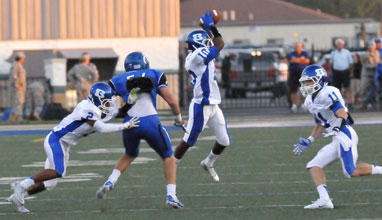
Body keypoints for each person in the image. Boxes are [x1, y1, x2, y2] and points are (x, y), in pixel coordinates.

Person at [8, 82, 139, 213]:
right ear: (97, 100)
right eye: (106, 102)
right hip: (56, 140)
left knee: (50, 183)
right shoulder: (87, 108)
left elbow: (120, 112)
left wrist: (130, 102)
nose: (109, 105)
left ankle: (18, 197)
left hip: (65, 144)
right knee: (58, 171)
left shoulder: (104, 107)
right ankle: (22, 185)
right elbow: (101, 127)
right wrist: (124, 126)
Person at [292, 64, 382, 209]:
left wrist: (336, 127)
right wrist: (309, 140)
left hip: (344, 133)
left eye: (309, 81)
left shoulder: (328, 92)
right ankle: (325, 200)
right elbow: (320, 124)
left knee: (350, 171)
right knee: (314, 165)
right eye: (305, 82)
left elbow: (342, 113)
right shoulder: (309, 101)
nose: (306, 85)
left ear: (320, 80)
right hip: (335, 136)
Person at [96, 52, 185, 209]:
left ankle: (110, 181)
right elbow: (171, 100)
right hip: (150, 121)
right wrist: (178, 118)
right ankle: (171, 195)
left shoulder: (117, 80)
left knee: (130, 154)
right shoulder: (155, 74)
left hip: (130, 122)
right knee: (168, 156)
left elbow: (104, 101)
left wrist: (114, 112)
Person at [173, 12, 230, 183]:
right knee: (188, 141)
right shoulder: (195, 56)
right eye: (206, 41)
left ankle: (208, 162)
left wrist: (209, 28)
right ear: (198, 43)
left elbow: (216, 45)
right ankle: (172, 164)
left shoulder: (200, 53)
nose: (209, 44)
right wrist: (210, 26)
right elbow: (220, 43)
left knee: (224, 140)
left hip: (213, 104)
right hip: (201, 104)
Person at [330, 39, 354, 108]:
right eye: (338, 44)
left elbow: (351, 63)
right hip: (336, 72)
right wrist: (331, 72)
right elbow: (331, 63)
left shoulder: (347, 52)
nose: (339, 46)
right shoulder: (333, 53)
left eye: (340, 44)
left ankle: (349, 102)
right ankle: (339, 102)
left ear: (343, 45)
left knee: (347, 87)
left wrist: (351, 72)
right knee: (337, 88)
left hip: (345, 72)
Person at [288, 42, 310, 112]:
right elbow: (291, 60)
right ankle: (294, 105)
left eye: (299, 46)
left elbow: (307, 61)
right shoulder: (292, 53)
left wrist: (297, 60)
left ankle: (303, 104)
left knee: (304, 89)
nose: (298, 48)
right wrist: (301, 59)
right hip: (293, 73)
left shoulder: (305, 53)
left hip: (302, 73)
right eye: (297, 46)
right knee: (293, 90)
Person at [360, 42, 381, 110]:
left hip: (374, 74)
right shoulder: (366, 54)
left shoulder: (377, 53)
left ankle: (374, 104)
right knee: (364, 88)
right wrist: (372, 65)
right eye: (370, 47)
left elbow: (378, 62)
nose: (371, 48)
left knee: (374, 90)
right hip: (366, 74)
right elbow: (365, 64)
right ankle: (364, 103)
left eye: (372, 47)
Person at [8, 52, 27, 121]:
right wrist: (17, 85)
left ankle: (12, 118)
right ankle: (19, 117)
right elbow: (14, 75)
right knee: (18, 102)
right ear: (21, 58)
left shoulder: (19, 65)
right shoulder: (16, 65)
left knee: (18, 102)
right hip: (17, 88)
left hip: (20, 88)